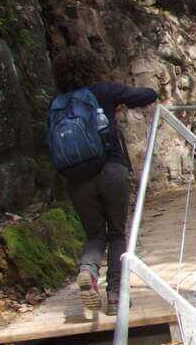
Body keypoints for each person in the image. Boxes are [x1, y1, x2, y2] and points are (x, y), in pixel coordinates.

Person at [49, 48, 158, 316]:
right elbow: (146, 95)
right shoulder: (103, 91)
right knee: (117, 233)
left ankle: (87, 270)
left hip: (77, 179)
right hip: (111, 171)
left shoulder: (58, 104)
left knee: (95, 235)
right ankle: (115, 297)